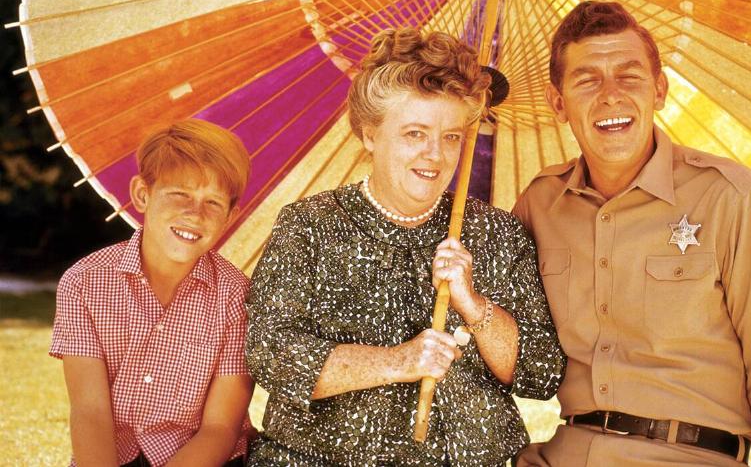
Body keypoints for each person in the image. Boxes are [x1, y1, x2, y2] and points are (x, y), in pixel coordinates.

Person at [246, 28, 565, 466]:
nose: (435, 155)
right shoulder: (310, 227)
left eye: (451, 136)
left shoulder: (497, 234)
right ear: (371, 134)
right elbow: (273, 355)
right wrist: (399, 361)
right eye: (415, 133)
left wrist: (473, 305)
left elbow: (541, 373)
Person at [512, 1, 751, 466]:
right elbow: (493, 336)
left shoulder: (730, 198)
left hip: (690, 454)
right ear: (558, 102)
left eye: (629, 76)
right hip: (565, 453)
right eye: (587, 80)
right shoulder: (539, 204)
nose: (611, 96)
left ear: (659, 90)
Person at [50, 119, 255, 467]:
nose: (195, 214)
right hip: (111, 454)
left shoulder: (237, 296)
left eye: (213, 203)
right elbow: (90, 411)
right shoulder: (83, 283)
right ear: (142, 195)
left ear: (231, 217)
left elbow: (220, 429)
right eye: (180, 195)